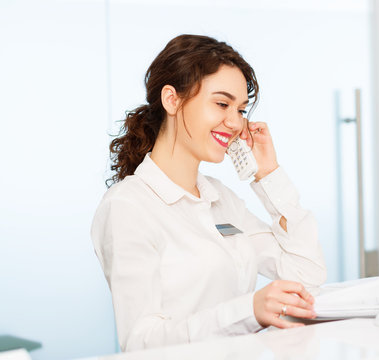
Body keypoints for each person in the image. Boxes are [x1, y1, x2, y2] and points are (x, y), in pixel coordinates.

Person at [90, 34, 327, 351]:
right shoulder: (128, 206)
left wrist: (269, 175)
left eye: (241, 109)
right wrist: (249, 311)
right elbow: (140, 342)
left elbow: (306, 275)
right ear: (172, 100)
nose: (234, 122)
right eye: (221, 104)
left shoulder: (220, 198)